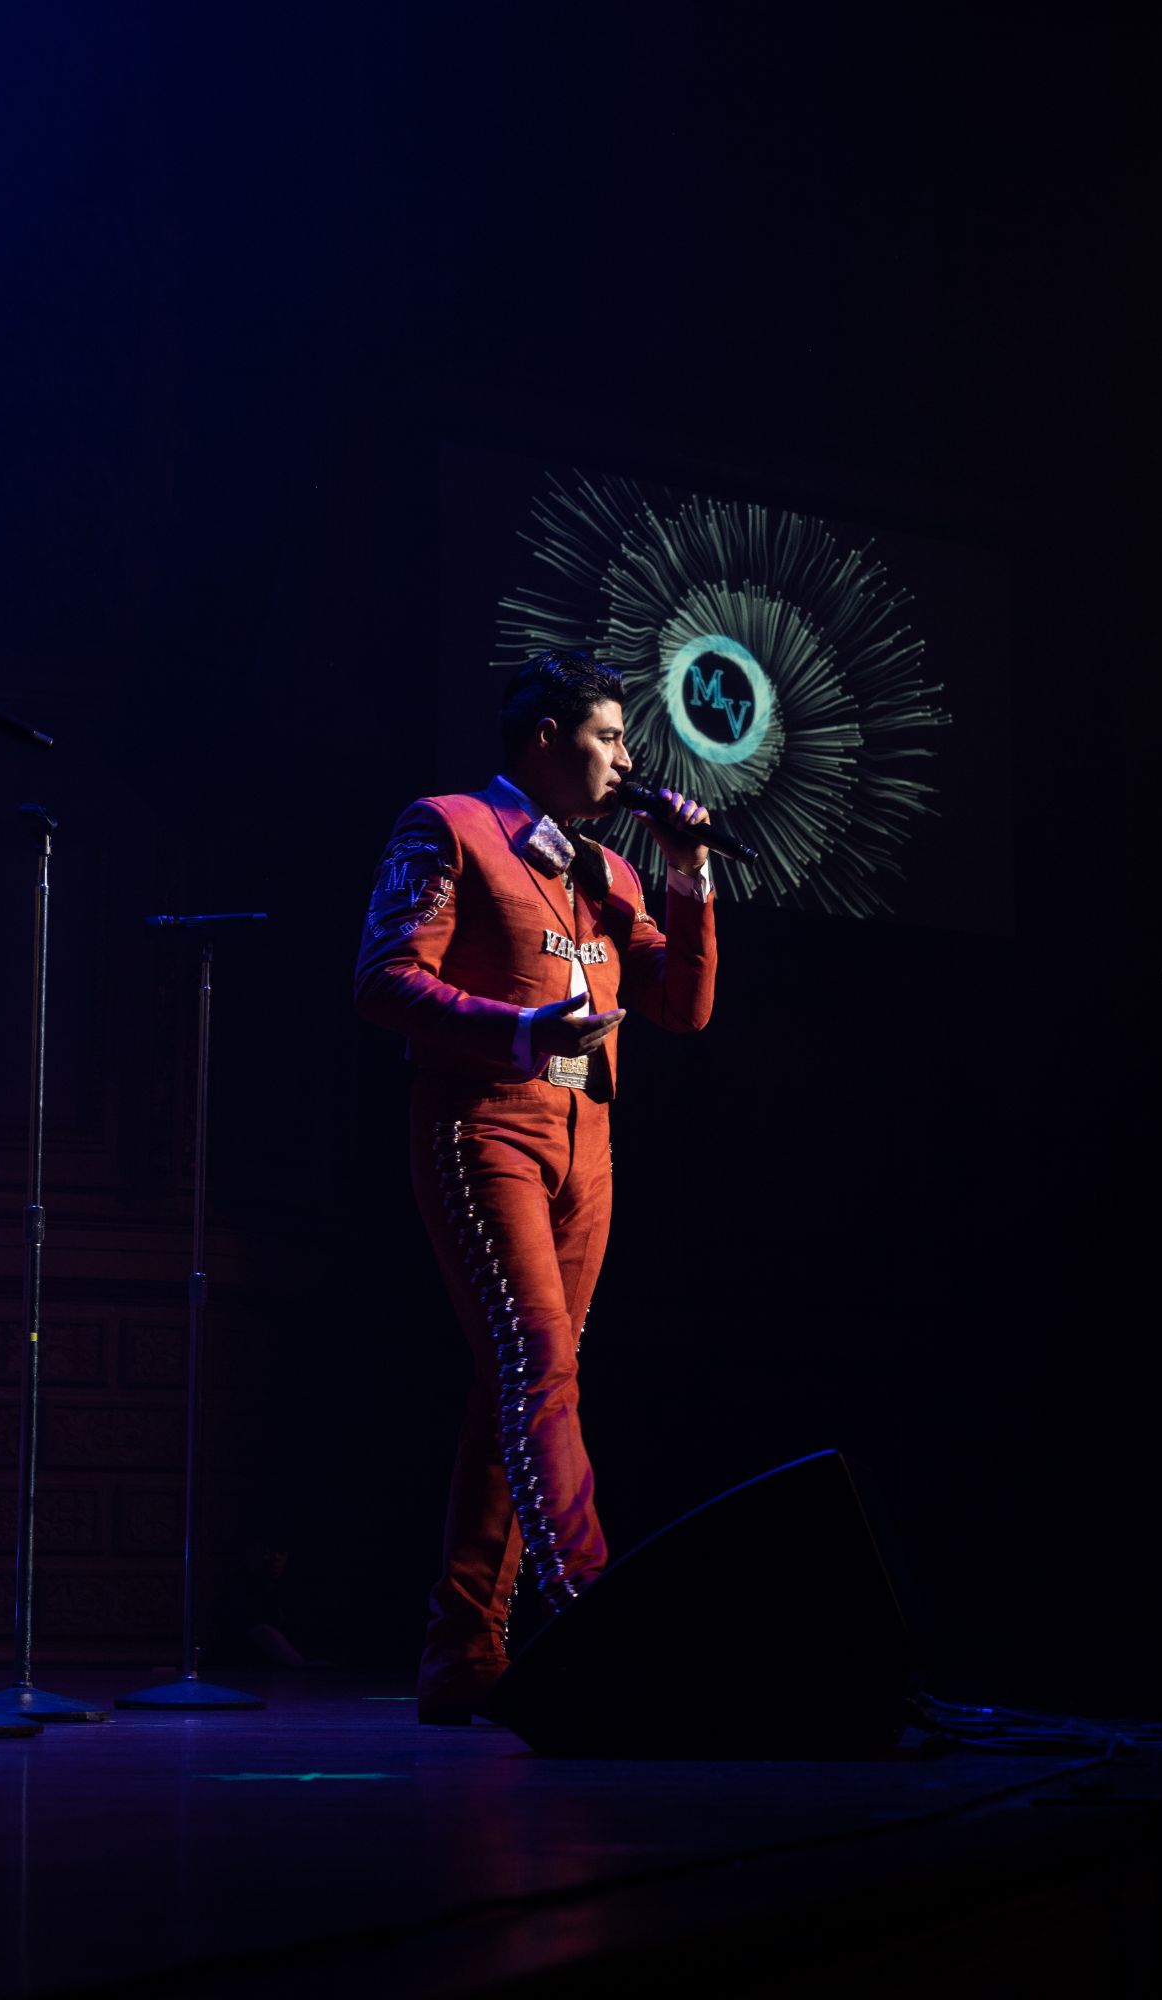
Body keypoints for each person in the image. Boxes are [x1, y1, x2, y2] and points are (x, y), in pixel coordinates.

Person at [355, 649, 716, 1722]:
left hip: (586, 1147)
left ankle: (462, 1649)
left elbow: (683, 1006)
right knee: (538, 1370)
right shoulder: (450, 825)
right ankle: (594, 1613)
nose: (627, 759)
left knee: (516, 1385)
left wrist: (687, 874)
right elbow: (383, 977)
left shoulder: (608, 874)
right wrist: (519, 1032)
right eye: (608, 737)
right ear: (547, 738)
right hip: (485, 1127)